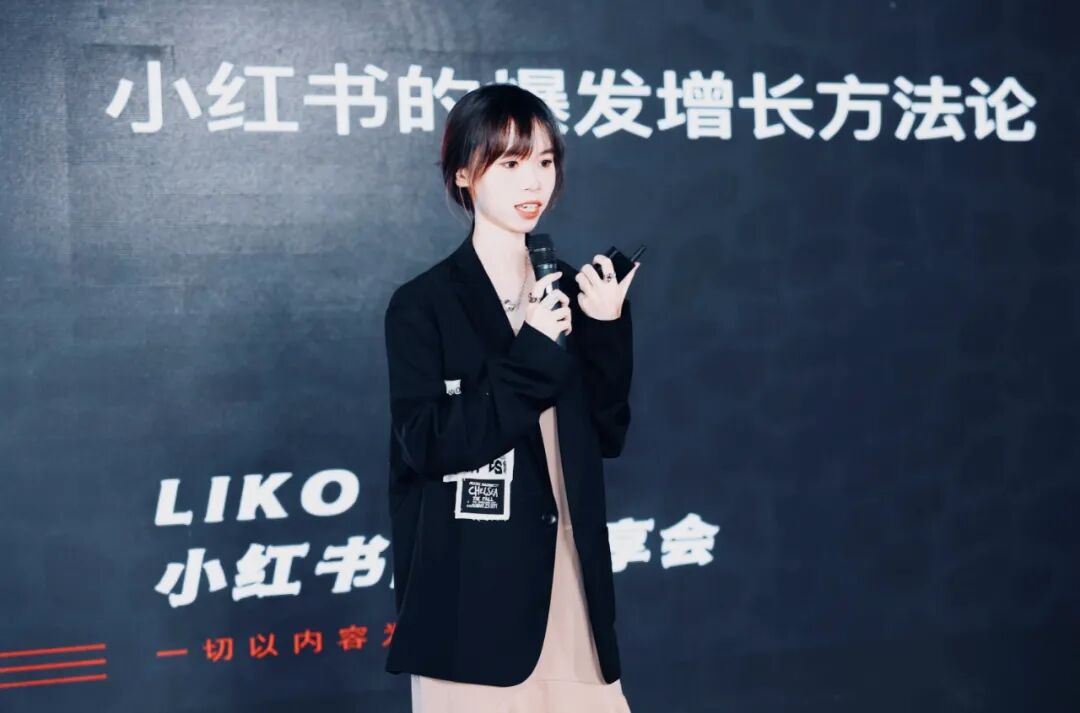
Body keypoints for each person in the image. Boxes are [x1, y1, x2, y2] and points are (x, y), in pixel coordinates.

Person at [383, 83, 640, 713]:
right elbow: (430, 445)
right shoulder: (423, 305)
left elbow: (607, 436)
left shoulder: (573, 291)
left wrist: (606, 328)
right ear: (463, 175)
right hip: (470, 600)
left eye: (545, 161)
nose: (534, 181)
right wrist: (536, 351)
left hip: (572, 586)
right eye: (510, 163)